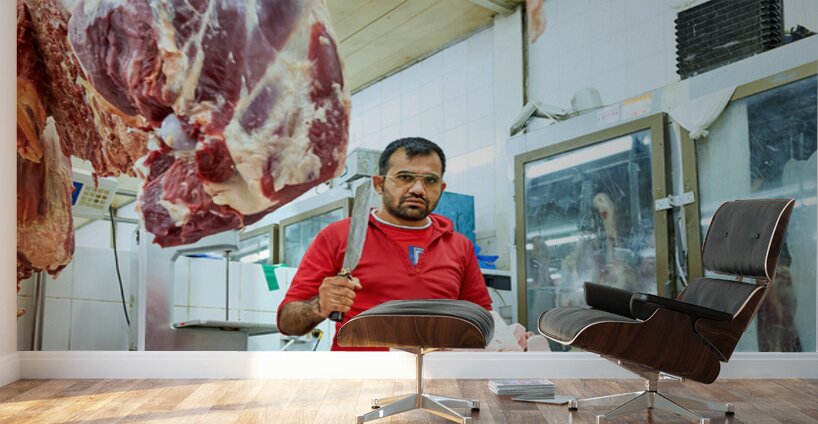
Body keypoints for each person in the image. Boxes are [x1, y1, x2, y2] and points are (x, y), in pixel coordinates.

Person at [276, 137, 492, 350]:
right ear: (379, 184)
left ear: (441, 187)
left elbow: (482, 320)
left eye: (430, 180)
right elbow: (287, 322)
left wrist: (509, 339)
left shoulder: (459, 245)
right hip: (359, 378)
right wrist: (319, 306)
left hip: (436, 376)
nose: (418, 189)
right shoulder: (339, 236)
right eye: (405, 177)